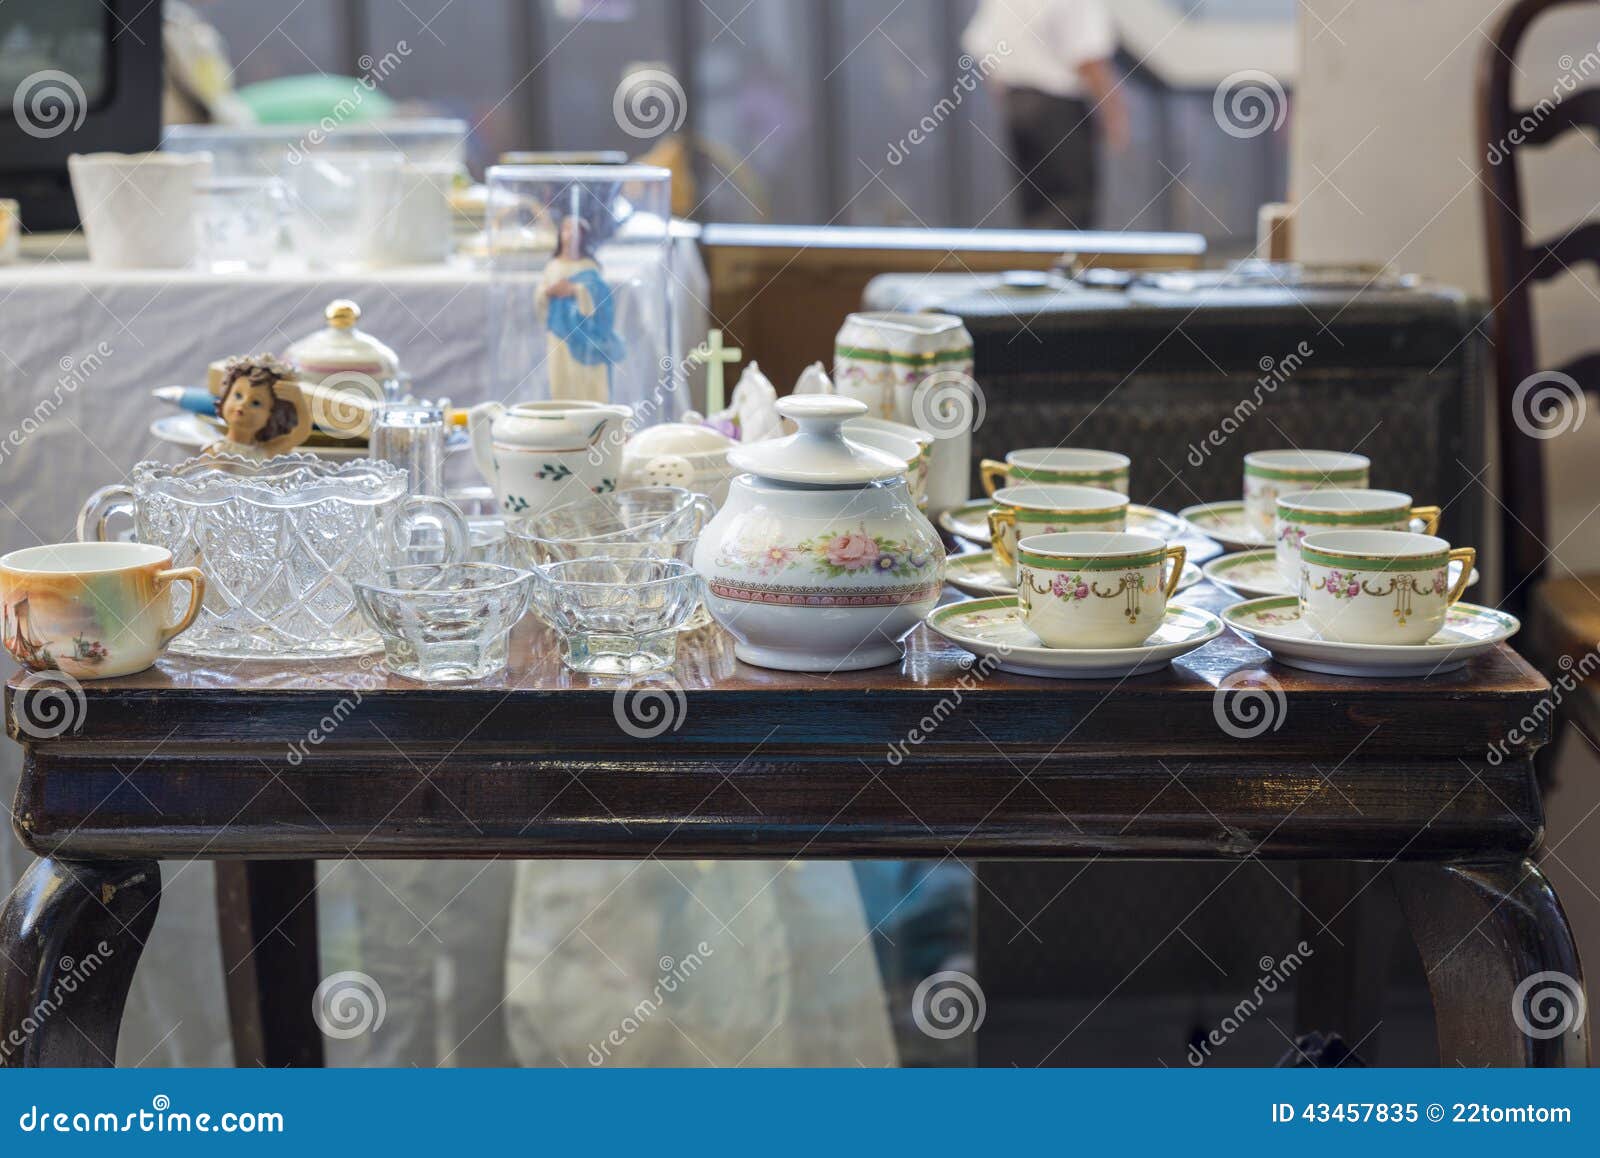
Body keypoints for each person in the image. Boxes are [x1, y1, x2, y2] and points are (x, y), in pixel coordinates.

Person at [963, 0, 1129, 229]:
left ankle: (1040, 263)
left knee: (1035, 212)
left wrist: (1014, 100)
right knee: (1071, 209)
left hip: (1017, 105)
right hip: (1060, 109)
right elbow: (1088, 57)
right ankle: (1065, 264)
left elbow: (983, 49)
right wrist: (1114, 115)